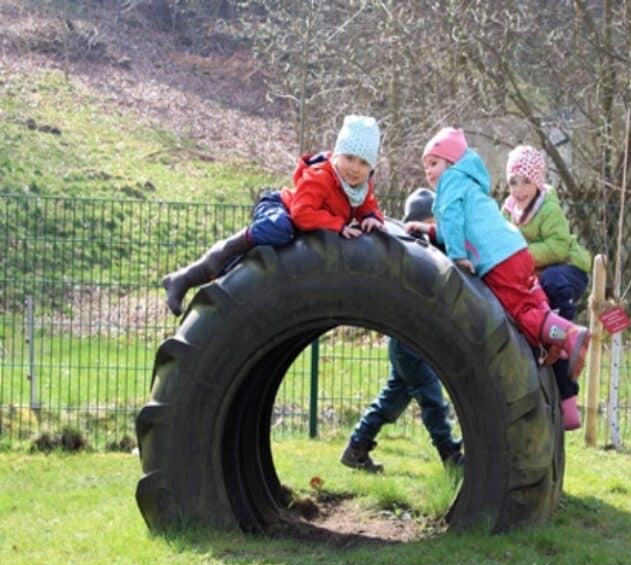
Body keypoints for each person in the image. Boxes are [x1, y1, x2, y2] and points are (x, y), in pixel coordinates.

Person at [405, 127, 590, 384]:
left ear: (452, 163)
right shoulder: (470, 185)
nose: (428, 171)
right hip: (517, 250)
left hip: (499, 261)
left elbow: (452, 218)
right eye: (426, 165)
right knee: (530, 299)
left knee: (518, 311)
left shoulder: (450, 183)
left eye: (434, 163)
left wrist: (457, 257)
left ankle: (567, 333)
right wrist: (429, 230)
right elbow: (460, 228)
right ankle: (554, 338)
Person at [162, 114, 385, 316]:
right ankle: (213, 259)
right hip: (280, 208)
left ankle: (206, 275)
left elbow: (367, 205)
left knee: (268, 245)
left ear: (371, 168)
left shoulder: (360, 188)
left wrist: (372, 217)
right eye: (349, 158)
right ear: (337, 154)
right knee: (278, 229)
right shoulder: (320, 177)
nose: (355, 168)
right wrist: (338, 225)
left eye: (363, 163)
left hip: (300, 223)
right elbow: (301, 213)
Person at [340, 188, 464, 473]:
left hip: (408, 342)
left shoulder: (422, 250)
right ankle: (449, 454)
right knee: (432, 398)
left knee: (393, 399)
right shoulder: (419, 252)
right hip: (410, 344)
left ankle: (357, 448)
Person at [501, 145, 591, 430]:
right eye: (513, 182)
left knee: (551, 281)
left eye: (526, 182)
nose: (519, 190)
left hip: (569, 269)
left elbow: (559, 246)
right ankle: (566, 403)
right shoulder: (509, 211)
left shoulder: (548, 208)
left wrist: (521, 253)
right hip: (538, 276)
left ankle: (567, 334)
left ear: (538, 182)